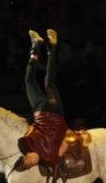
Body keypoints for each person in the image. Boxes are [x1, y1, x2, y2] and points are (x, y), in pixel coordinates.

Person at [18, 29, 69, 170]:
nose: (30, 160)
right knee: (40, 82)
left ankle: (47, 47)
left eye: (27, 161)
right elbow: (65, 143)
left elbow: (64, 143)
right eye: (29, 163)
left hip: (51, 113)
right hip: (50, 112)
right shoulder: (28, 146)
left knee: (42, 82)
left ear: (26, 157)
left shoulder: (28, 146)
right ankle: (43, 47)